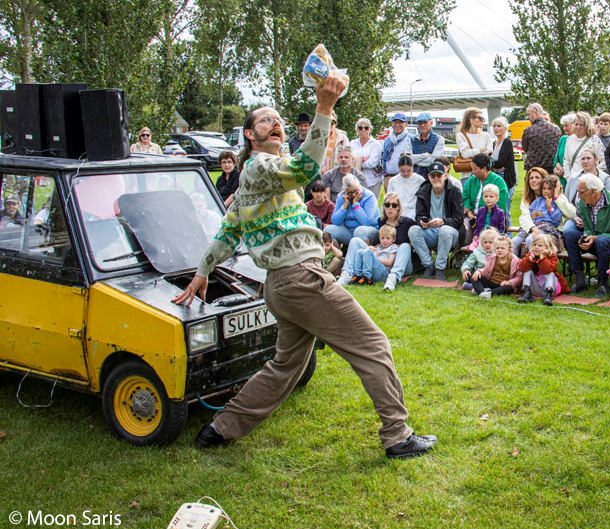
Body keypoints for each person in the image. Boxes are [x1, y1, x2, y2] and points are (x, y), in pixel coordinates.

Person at [172, 75, 435, 458]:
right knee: (373, 345)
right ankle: (397, 435)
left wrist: (202, 271)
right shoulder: (260, 166)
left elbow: (228, 234)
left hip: (281, 286)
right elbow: (303, 168)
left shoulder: (253, 183)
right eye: (265, 120)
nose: (275, 123)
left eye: (278, 119)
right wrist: (325, 107)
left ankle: (219, 429)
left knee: (285, 366)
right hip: (301, 277)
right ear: (249, 135)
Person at [564, 173, 610, 296]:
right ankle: (580, 279)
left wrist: (595, 238)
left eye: (581, 192)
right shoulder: (583, 203)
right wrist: (587, 236)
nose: (578, 196)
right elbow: (588, 228)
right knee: (570, 235)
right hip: (598, 242)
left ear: (594, 191)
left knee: (602, 241)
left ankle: (603, 284)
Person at [337, 192, 415, 291]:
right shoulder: (381, 221)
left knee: (404, 246)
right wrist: (373, 247)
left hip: (401, 261)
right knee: (355, 240)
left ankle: (393, 278)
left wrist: (399, 248)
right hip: (382, 260)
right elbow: (383, 239)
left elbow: (416, 238)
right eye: (387, 205)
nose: (390, 208)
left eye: (394, 205)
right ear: (383, 207)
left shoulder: (407, 222)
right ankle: (347, 274)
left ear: (399, 207)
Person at [410, 160, 464, 280]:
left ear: (445, 175)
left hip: (451, 233)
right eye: (433, 175)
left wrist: (443, 221)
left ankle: (440, 268)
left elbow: (459, 219)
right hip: (431, 230)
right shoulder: (423, 191)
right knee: (413, 230)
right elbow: (418, 215)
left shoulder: (454, 191)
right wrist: (422, 222)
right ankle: (428, 265)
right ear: (428, 177)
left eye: (439, 175)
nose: (436, 178)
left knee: (444, 230)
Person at [324, 174, 379, 246]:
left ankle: (359, 254)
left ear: (359, 186)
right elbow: (335, 222)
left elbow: (366, 222)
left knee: (360, 231)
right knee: (328, 230)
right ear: (345, 191)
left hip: (368, 231)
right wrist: (344, 207)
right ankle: (338, 254)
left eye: (355, 191)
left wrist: (355, 204)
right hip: (349, 231)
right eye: (350, 192)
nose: (353, 195)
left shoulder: (369, 196)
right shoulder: (342, 196)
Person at [517, 233, 568, 305]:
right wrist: (529, 259)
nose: (536, 247)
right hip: (536, 288)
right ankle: (526, 293)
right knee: (527, 271)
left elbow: (547, 270)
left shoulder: (552, 256)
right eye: (534, 245)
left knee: (550, 273)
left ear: (547, 248)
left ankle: (548, 296)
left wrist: (542, 257)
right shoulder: (531, 256)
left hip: (550, 288)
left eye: (540, 245)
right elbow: (521, 268)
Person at [563, 111, 606, 180]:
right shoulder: (570, 139)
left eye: (581, 125)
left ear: (587, 126)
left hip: (590, 181)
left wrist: (594, 174)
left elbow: (604, 160)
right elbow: (566, 161)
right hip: (573, 179)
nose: (578, 127)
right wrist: (569, 178)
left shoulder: (594, 140)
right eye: (576, 124)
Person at [456, 107, 493, 185]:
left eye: (482, 118)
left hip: (484, 175)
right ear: (471, 119)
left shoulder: (486, 135)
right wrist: (480, 150)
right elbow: (465, 154)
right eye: (480, 118)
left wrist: (472, 152)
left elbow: (489, 152)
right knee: (468, 197)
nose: (482, 120)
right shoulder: (461, 135)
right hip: (467, 175)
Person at [521, 102, 560, 174]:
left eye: (528, 114)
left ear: (536, 113)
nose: (527, 117)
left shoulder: (529, 130)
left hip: (534, 172)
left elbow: (525, 148)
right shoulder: (556, 129)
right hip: (551, 172)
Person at [528, 174, 567, 246]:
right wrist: (533, 216)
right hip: (537, 226)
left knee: (531, 240)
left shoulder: (556, 202)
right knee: (520, 240)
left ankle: (535, 256)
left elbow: (557, 220)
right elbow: (531, 212)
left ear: (555, 190)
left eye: (549, 189)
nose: (546, 191)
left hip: (549, 229)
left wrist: (550, 207)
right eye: (544, 188)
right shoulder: (538, 201)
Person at [350, 117, 383, 197]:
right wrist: (364, 160)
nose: (363, 130)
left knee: (372, 207)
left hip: (373, 181)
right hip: (356, 181)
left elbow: (373, 163)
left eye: (366, 128)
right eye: (360, 128)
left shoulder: (375, 144)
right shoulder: (352, 143)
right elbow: (349, 160)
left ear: (370, 130)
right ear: (357, 130)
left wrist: (357, 161)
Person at [470, 184, 509, 248]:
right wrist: (476, 235)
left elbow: (503, 229)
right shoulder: (480, 211)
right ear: (483, 198)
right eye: (486, 196)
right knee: (472, 250)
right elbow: (477, 226)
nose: (488, 199)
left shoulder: (500, 213)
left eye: (491, 197)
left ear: (497, 198)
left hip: (495, 240)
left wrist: (497, 237)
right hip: (481, 239)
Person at [381, 112, 412, 192]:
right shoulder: (388, 140)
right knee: (389, 203)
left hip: (404, 177)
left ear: (406, 124)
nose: (397, 125)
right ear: (392, 123)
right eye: (395, 122)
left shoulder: (411, 140)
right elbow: (384, 159)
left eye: (401, 122)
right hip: (388, 178)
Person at [409, 112, 444, 178]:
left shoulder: (439, 139)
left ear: (431, 123)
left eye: (425, 122)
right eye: (420, 123)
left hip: (432, 178)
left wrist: (415, 160)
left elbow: (434, 160)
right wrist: (426, 155)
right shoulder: (411, 140)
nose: (422, 125)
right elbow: (408, 160)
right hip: (414, 179)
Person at [490, 116, 517, 199]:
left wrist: (490, 162)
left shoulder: (507, 142)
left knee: (505, 205)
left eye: (499, 126)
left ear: (505, 128)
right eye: (494, 126)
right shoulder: (494, 143)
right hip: (495, 175)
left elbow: (501, 162)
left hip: (505, 177)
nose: (496, 128)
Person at [553, 113, 576, 181]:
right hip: (561, 178)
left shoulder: (578, 140)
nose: (564, 128)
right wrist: (560, 169)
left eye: (566, 126)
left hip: (573, 177)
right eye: (563, 126)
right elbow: (556, 159)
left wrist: (565, 172)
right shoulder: (563, 139)